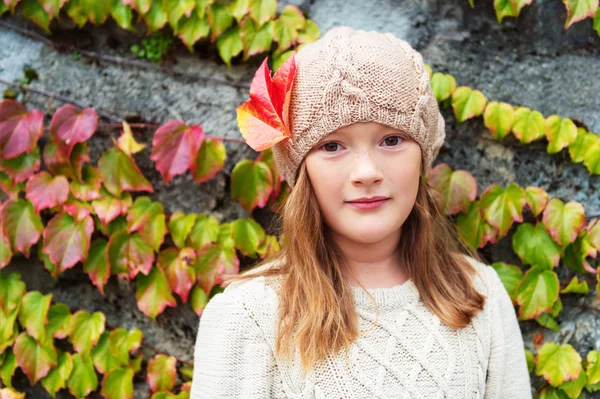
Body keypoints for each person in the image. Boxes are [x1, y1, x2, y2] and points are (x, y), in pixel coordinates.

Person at [189, 26, 532, 398]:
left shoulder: (479, 294)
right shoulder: (249, 317)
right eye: (333, 146)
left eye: (392, 140)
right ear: (302, 172)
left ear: (422, 155)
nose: (367, 172)